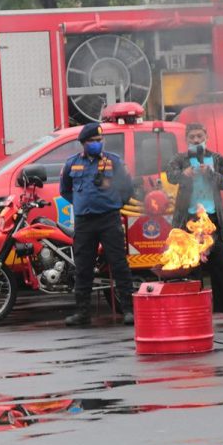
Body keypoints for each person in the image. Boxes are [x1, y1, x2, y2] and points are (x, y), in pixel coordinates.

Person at [60, 123, 135, 326]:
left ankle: (128, 310)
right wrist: (82, 204)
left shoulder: (114, 161)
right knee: (83, 267)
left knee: (118, 264)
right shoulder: (71, 164)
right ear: (83, 143)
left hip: (109, 219)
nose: (97, 144)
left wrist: (116, 204)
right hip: (84, 222)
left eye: (99, 140)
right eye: (92, 141)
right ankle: (82, 313)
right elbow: (65, 190)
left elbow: (127, 188)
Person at [165, 123, 223, 323]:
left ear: (206, 136)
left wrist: (211, 173)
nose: (197, 140)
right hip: (188, 219)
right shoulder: (179, 159)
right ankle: (194, 312)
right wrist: (185, 175)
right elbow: (171, 177)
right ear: (186, 139)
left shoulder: (217, 159)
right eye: (192, 137)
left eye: (200, 136)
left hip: (212, 219)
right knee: (192, 266)